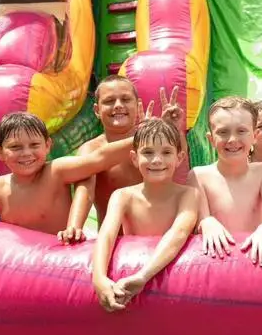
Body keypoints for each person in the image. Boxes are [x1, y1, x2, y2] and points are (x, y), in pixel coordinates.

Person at [0, 112, 142, 260]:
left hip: (65, 257)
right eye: (15, 147)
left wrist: (147, 133)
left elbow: (100, 158)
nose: (26, 154)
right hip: (23, 265)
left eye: (34, 145)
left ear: (47, 145)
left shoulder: (57, 172)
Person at [92, 118, 199, 312]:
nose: (157, 160)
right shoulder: (123, 196)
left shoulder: (188, 194)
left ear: (180, 157)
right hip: (133, 284)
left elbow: (179, 233)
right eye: (148, 153)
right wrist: (99, 277)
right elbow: (106, 235)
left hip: (167, 284)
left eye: (166, 152)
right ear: (134, 158)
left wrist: (143, 275)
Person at [59, 78, 184, 244]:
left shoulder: (155, 144)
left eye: (125, 99)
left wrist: (174, 130)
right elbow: (85, 191)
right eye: (109, 101)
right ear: (97, 110)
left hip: (160, 236)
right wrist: (74, 226)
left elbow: (180, 174)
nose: (118, 105)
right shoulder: (91, 149)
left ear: (137, 104)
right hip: (115, 241)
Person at [187, 96, 262, 265]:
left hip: (254, 259)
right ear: (211, 139)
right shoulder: (198, 176)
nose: (232, 139)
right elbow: (200, 221)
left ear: (254, 136)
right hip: (219, 262)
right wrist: (206, 221)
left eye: (241, 131)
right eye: (223, 132)